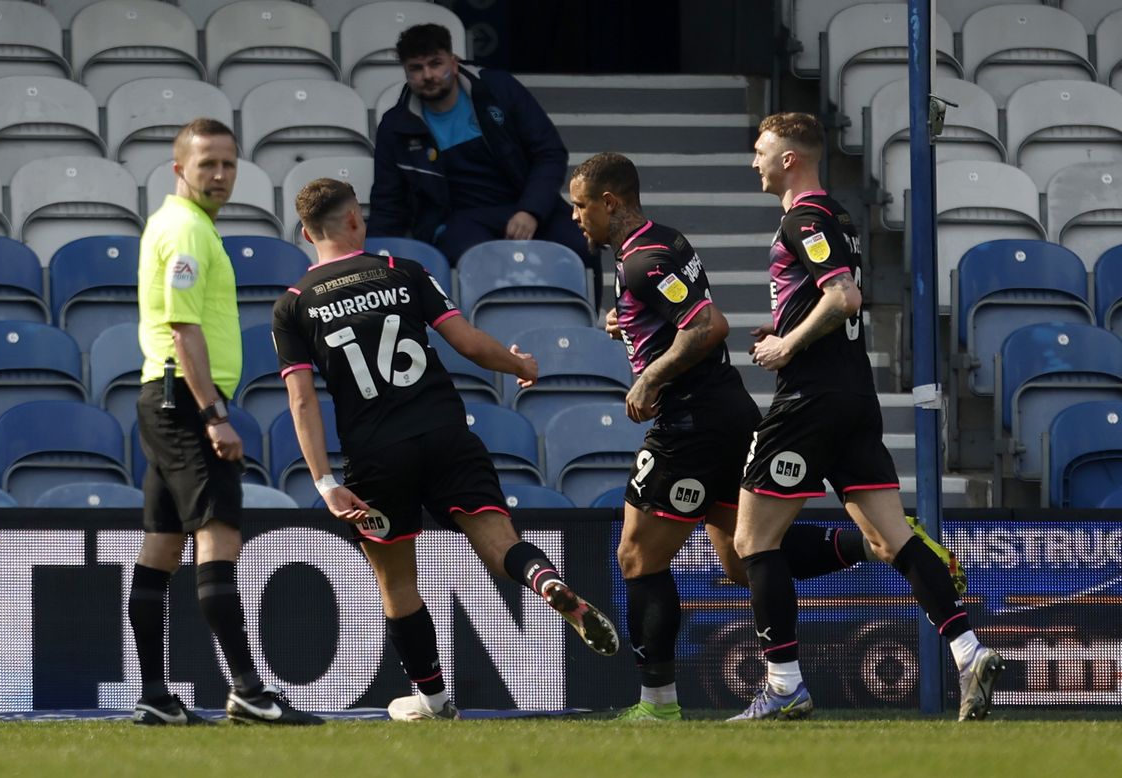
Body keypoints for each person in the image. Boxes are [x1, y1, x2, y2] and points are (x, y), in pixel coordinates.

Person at [569, 152, 965, 721]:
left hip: (690, 425)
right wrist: (627, 321)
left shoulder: (644, 259)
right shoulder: (661, 242)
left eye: (581, 207)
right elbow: (670, 307)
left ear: (609, 202)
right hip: (726, 414)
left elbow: (707, 325)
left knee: (636, 557)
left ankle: (657, 705)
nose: (577, 218)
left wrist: (649, 376)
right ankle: (879, 544)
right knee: (743, 558)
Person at [272, 177, 619, 721]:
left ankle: (433, 700)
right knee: (501, 545)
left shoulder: (293, 306)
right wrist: (519, 363)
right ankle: (547, 582)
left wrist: (324, 481)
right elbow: (467, 342)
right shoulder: (402, 272)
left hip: (375, 455)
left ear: (305, 232)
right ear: (356, 221)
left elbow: (302, 402)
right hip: (446, 435)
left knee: (397, 581)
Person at [732, 112, 1003, 721]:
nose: (754, 162)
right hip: (856, 398)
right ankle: (969, 651)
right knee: (891, 538)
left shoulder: (802, 219)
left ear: (790, 159)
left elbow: (844, 297)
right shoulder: (840, 218)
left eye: (761, 151)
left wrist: (787, 345)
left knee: (752, 540)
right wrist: (784, 324)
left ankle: (783, 686)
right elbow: (834, 296)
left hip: (810, 401)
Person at [130, 118, 321, 726]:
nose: (218, 175)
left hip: (164, 398)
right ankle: (246, 691)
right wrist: (215, 414)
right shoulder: (186, 231)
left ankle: (157, 698)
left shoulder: (178, 224)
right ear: (178, 167)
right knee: (218, 536)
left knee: (161, 546)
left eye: (228, 164)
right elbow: (184, 329)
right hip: (186, 402)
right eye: (206, 163)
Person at [367, 23, 600, 301]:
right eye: (416, 68)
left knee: (580, 244)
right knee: (476, 261)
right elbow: (388, 202)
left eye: (435, 63)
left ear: (453, 63)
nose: (428, 75)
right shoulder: (396, 127)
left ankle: (587, 328)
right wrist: (371, 261)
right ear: (407, 73)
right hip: (458, 219)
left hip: (525, 203)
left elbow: (549, 152)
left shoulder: (498, 89)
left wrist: (531, 210)